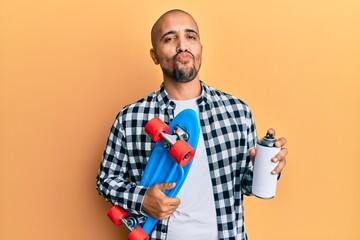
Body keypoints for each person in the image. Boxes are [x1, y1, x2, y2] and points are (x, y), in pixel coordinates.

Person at [96, 9, 288, 240]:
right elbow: (106, 180)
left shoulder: (237, 112)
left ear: (200, 49)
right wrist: (142, 199)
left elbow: (246, 186)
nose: (182, 46)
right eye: (169, 38)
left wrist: (266, 168)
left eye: (190, 36)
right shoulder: (131, 118)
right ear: (154, 55)